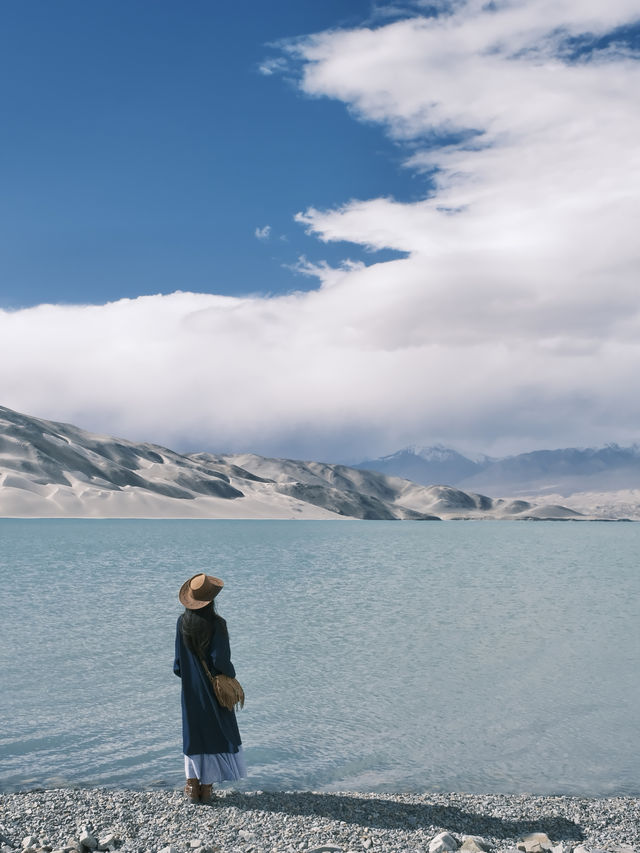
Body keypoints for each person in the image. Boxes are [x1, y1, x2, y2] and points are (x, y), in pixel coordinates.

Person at [173, 572, 247, 803]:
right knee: (216, 735)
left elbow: (177, 666)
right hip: (213, 691)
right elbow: (221, 661)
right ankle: (206, 789)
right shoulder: (217, 624)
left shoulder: (182, 623)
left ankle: (191, 787)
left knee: (194, 735)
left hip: (191, 692)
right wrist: (231, 676)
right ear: (212, 599)